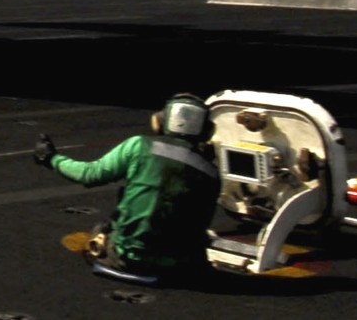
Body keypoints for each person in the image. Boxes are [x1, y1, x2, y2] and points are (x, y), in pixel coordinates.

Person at [34, 93, 220, 282]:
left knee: (102, 228)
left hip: (126, 258)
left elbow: (88, 174)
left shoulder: (139, 146)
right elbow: (199, 225)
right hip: (175, 266)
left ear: (161, 120)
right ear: (207, 131)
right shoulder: (211, 172)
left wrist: (51, 158)